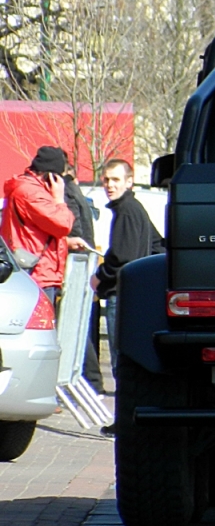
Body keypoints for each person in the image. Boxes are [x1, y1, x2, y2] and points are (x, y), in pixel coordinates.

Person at [94, 159, 163, 374]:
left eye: (116, 179)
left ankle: (121, 406)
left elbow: (122, 258)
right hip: (134, 296)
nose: (110, 185)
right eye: (106, 180)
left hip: (121, 295)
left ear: (129, 182)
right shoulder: (134, 208)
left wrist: (100, 276)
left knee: (121, 363)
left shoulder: (126, 210)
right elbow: (158, 246)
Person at [0, 146, 76, 306]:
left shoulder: (27, 189)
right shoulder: (32, 193)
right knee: (41, 326)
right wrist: (59, 199)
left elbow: (37, 230)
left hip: (38, 270)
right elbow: (64, 224)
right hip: (37, 272)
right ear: (51, 176)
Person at [61, 157, 104, 394]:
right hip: (85, 265)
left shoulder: (67, 192)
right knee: (82, 327)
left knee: (76, 328)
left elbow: (75, 233)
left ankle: (89, 381)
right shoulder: (76, 192)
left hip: (75, 266)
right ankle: (91, 381)